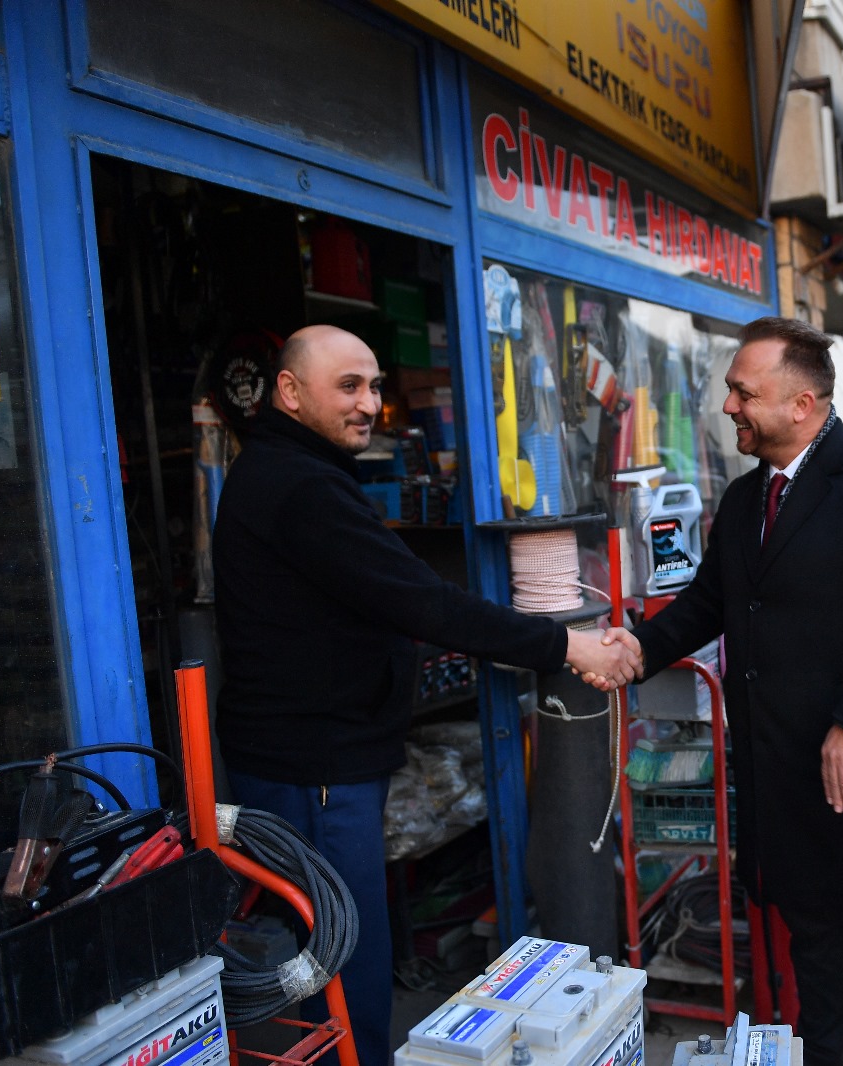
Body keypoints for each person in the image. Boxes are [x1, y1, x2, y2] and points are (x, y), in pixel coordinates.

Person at [212, 324, 638, 1066]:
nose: (370, 403)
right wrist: (562, 643)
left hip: (314, 761)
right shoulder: (299, 485)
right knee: (345, 961)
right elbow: (421, 601)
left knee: (331, 955)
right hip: (312, 768)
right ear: (288, 391)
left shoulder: (297, 472)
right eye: (349, 386)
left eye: (375, 386)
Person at [621, 317, 843, 1066]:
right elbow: (708, 603)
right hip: (783, 778)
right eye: (730, 392)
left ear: (802, 403)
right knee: (815, 956)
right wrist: (635, 651)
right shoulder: (746, 503)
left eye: (744, 393)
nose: (729, 407)